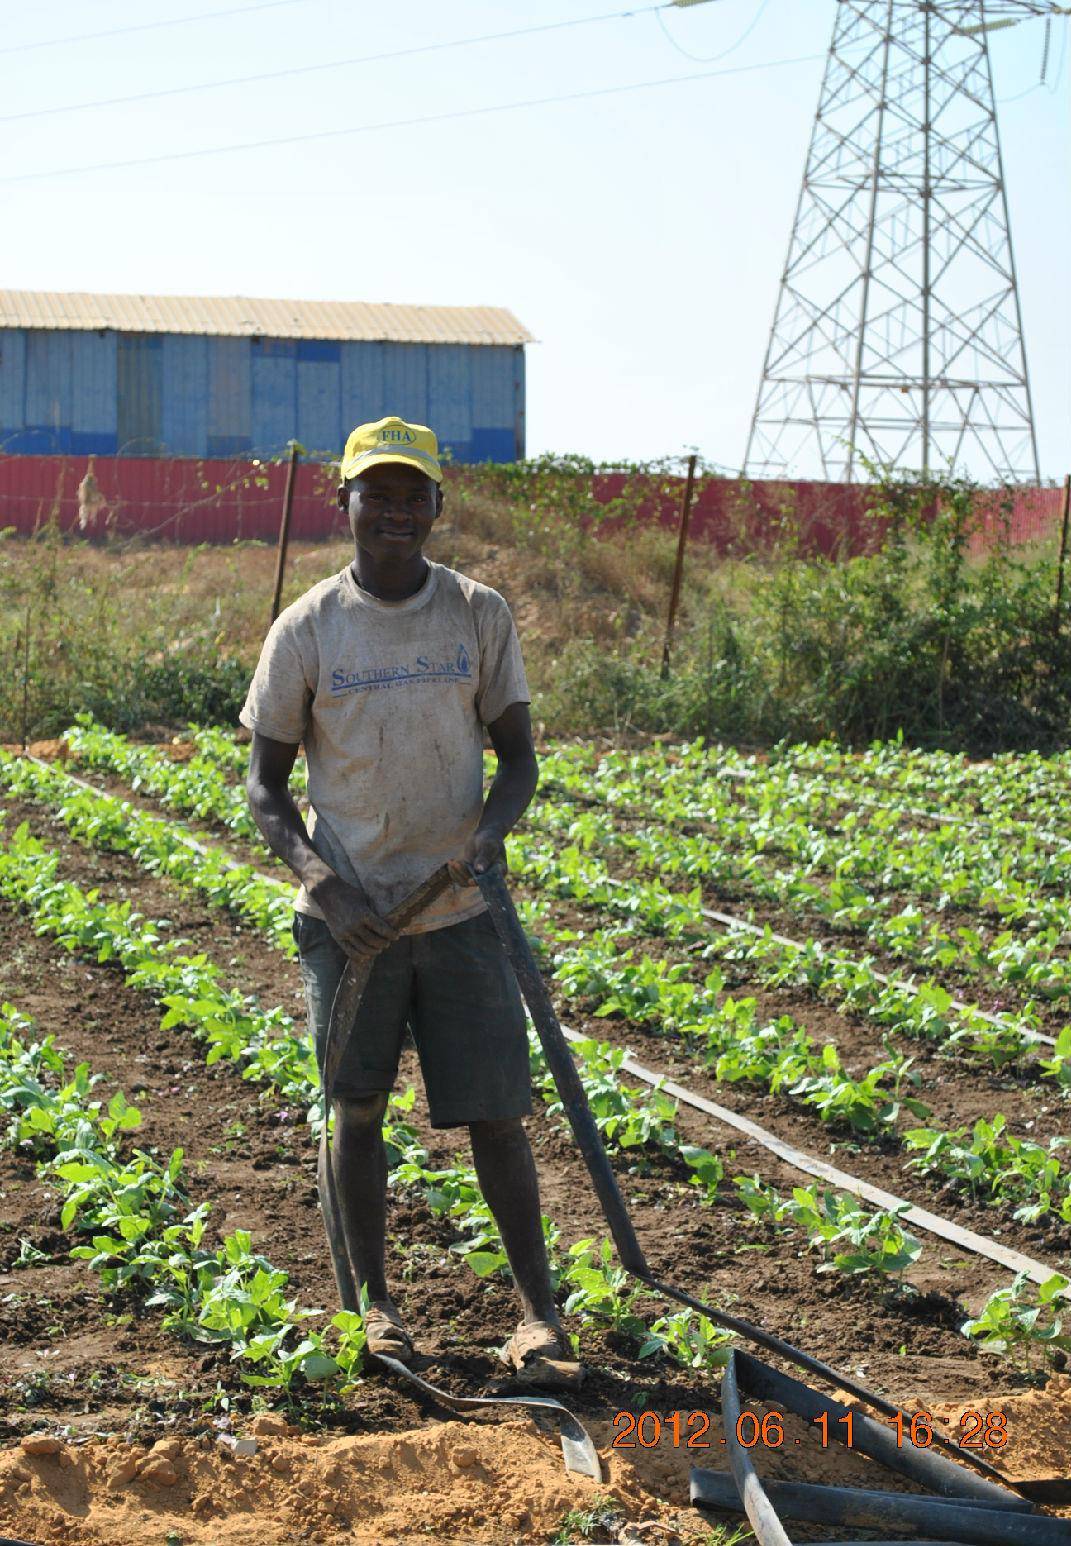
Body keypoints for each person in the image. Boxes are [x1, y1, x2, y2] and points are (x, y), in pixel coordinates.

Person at [241, 415, 576, 1385]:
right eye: (373, 493)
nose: (392, 511)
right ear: (342, 502)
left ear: (438, 505)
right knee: (355, 1113)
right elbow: (264, 787)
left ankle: (540, 1316)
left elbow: (518, 762)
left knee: (498, 1116)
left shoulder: (477, 613)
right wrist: (322, 883)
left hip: (459, 915)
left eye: (410, 494)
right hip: (354, 926)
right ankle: (375, 1311)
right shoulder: (307, 627)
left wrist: (487, 835)